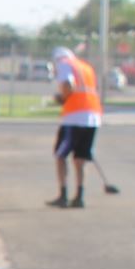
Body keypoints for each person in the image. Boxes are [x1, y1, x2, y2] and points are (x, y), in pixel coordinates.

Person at [48, 44, 102, 207]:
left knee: (60, 155)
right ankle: (79, 196)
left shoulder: (64, 64)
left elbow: (68, 84)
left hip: (74, 117)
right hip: (93, 116)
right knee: (80, 158)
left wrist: (62, 98)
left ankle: (63, 194)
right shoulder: (86, 67)